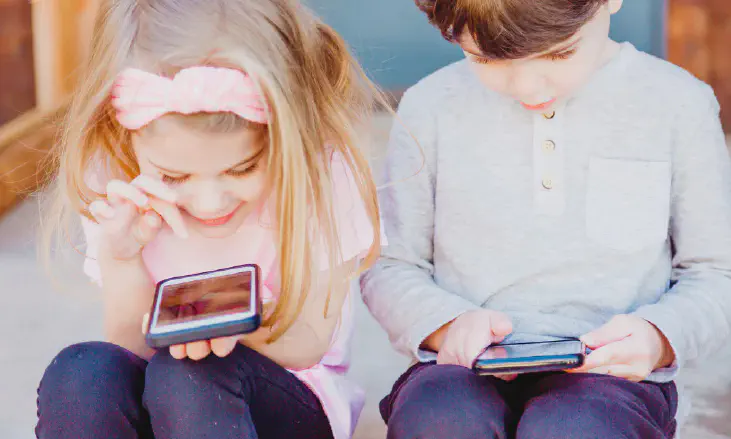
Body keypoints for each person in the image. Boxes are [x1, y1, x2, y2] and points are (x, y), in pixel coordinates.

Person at [360, 0, 731, 438]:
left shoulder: (678, 104)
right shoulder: (428, 108)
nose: (528, 88)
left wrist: (659, 337)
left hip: (613, 382)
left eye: (559, 53)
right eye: (488, 58)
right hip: (461, 370)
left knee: (572, 429)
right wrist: (445, 325)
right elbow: (390, 265)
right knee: (440, 421)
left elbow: (714, 273)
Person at [36, 1, 384, 438]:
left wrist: (224, 330)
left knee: (190, 374)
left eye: (241, 169)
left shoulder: (320, 173)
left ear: (286, 130)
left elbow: (308, 341)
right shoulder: (116, 177)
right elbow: (130, 346)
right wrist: (123, 258)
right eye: (173, 176)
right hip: (165, 403)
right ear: (125, 135)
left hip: (285, 400)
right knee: (81, 372)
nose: (209, 202)